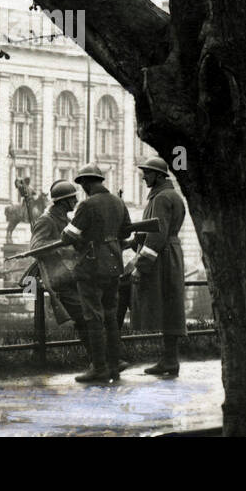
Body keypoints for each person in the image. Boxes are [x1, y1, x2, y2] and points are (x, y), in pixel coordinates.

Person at [61, 163, 130, 383]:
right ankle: (115, 363)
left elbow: (68, 237)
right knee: (111, 316)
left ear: (87, 183)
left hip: (91, 265)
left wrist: (83, 238)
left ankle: (98, 367)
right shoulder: (119, 202)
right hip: (114, 264)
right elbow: (126, 231)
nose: (82, 188)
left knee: (92, 316)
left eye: (82, 184)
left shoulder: (87, 205)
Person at [131, 157, 187, 376]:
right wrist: (132, 242)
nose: (144, 175)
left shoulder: (162, 198)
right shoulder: (169, 195)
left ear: (158, 175)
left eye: (147, 172)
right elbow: (155, 228)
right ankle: (169, 360)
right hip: (169, 253)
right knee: (170, 307)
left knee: (167, 307)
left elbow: (157, 234)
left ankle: (170, 360)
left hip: (162, 257)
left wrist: (140, 266)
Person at [26, 180, 88, 347]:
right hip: (58, 279)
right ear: (63, 202)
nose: (76, 201)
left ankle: (100, 362)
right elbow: (35, 246)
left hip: (70, 275)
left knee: (88, 318)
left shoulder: (64, 219)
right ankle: (99, 362)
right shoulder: (46, 220)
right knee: (84, 318)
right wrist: (63, 246)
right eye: (72, 198)